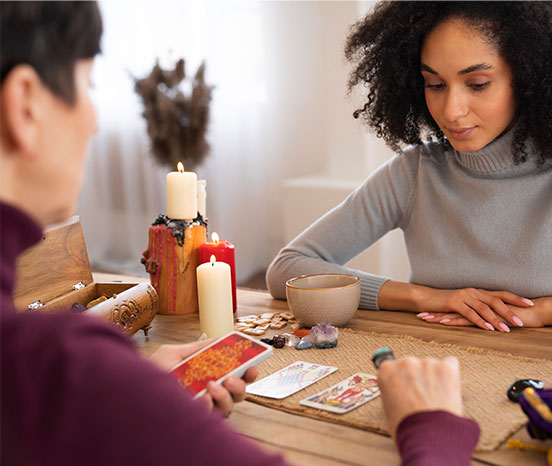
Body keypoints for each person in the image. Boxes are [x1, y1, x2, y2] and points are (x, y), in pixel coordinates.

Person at [0, 2, 479, 465]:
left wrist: (133, 392)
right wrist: (433, 427)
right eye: (88, 85)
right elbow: (291, 264)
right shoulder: (57, 370)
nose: (94, 120)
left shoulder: (56, 373)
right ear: (25, 104)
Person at [266, 1, 552, 336]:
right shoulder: (415, 174)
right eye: (434, 84)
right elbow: (289, 267)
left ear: (528, 79)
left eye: (477, 84)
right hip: (437, 375)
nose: (451, 110)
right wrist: (432, 296)